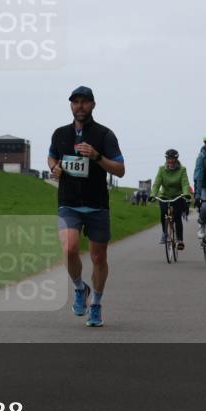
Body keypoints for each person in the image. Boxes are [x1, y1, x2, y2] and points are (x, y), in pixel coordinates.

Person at [48, 86, 125, 328]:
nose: (79, 106)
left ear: (93, 105)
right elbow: (52, 156)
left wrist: (97, 157)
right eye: (75, 102)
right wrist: (54, 168)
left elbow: (120, 170)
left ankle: (96, 304)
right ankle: (80, 288)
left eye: (84, 102)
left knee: (98, 257)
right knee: (69, 249)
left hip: (96, 204)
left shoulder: (104, 135)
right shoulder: (60, 134)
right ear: (71, 105)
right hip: (68, 202)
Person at [150, 149, 191, 250]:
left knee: (177, 216)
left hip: (178, 196)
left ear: (176, 159)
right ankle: (165, 233)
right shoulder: (161, 169)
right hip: (165, 196)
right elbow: (156, 183)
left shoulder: (182, 170)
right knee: (163, 213)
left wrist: (186, 194)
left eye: (173, 159)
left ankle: (180, 240)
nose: (171, 161)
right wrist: (153, 194)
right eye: (169, 158)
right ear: (166, 159)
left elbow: (185, 183)